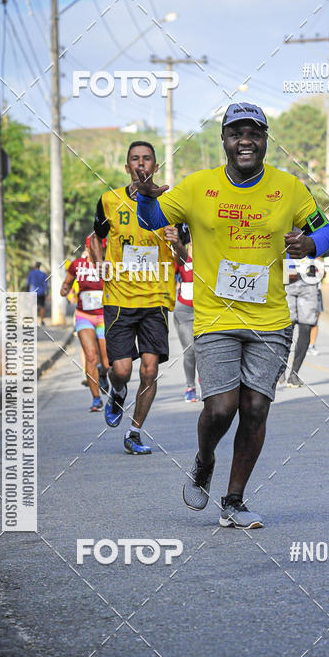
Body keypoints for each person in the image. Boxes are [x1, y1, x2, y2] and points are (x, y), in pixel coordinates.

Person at [134, 102, 329, 527]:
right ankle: (205, 460)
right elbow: (154, 219)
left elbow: (326, 229)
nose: (245, 140)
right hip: (215, 317)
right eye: (236, 133)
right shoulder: (196, 186)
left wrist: (310, 245)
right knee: (222, 408)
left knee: (256, 408)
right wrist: (147, 196)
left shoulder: (289, 188)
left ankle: (234, 501)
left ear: (265, 140)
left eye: (254, 133)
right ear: (224, 140)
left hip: (270, 320)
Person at [90, 141, 189, 454]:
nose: (141, 163)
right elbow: (95, 237)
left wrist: (176, 243)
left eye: (147, 159)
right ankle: (117, 393)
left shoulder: (172, 204)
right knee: (121, 370)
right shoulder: (109, 201)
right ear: (127, 166)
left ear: (156, 167)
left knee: (149, 369)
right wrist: (99, 262)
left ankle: (134, 432)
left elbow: (185, 258)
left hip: (156, 299)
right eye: (135, 158)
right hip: (119, 298)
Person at [60, 238, 109, 411]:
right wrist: (65, 289)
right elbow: (67, 282)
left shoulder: (108, 265)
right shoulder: (77, 265)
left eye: (100, 248)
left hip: (103, 316)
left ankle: (103, 374)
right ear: (88, 247)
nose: (97, 251)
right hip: (84, 316)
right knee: (90, 356)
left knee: (107, 360)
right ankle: (96, 398)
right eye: (93, 247)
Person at [283, 255, 322, 387]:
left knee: (305, 329)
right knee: (286, 328)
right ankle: (280, 368)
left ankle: (294, 374)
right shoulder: (284, 234)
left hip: (309, 283)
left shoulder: (314, 235)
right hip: (287, 280)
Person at [173, 244, 198, 402]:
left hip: (205, 311)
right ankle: (190, 387)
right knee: (190, 350)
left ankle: (208, 382)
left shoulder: (208, 260)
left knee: (206, 349)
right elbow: (167, 273)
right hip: (185, 312)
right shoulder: (182, 260)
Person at [26, 261, 48, 325]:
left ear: (35, 266)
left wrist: (27, 292)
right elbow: (46, 284)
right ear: (39, 266)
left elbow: (28, 283)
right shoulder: (43, 274)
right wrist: (47, 292)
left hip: (33, 292)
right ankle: (42, 321)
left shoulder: (31, 273)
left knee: (33, 306)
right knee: (42, 306)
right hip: (41, 292)